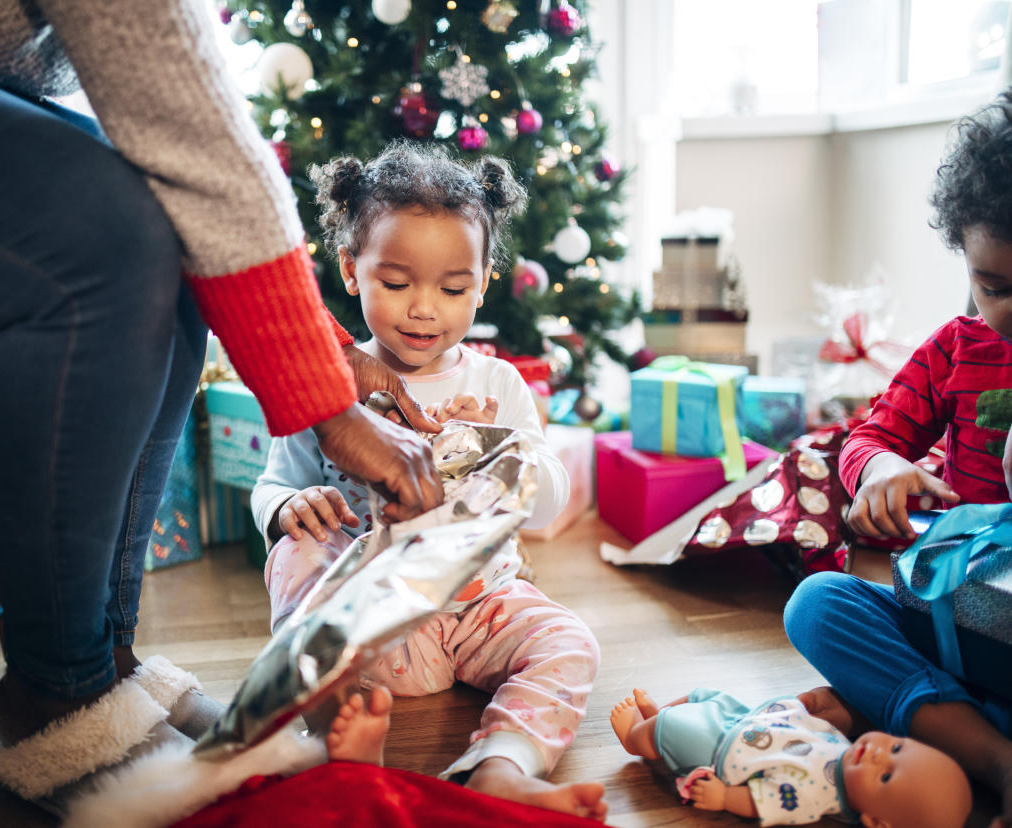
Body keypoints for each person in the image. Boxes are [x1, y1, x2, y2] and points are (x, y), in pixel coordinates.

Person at [0, 0, 445, 798]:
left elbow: (181, 136)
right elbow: (185, 115)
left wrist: (324, 353)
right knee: (101, 239)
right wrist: (330, 410)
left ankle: (106, 664)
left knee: (166, 212)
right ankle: (55, 697)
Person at [250, 142, 606, 820]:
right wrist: (290, 506)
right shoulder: (330, 378)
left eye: (451, 290)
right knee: (295, 554)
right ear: (352, 271)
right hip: (374, 629)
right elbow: (272, 486)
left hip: (482, 609)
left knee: (572, 642)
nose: (423, 310)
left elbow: (549, 495)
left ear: (481, 284)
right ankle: (339, 734)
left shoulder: (497, 382)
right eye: (396, 283)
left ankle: (502, 766)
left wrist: (494, 450)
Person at [786, 90, 1012, 828]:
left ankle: (913, 715)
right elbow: (868, 437)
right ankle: (989, 754)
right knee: (819, 604)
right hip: (948, 625)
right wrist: (881, 471)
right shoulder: (957, 349)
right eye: (994, 286)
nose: (1009, 310)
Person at [608, 686, 971, 827]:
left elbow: (764, 801)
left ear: (875, 821)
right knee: (702, 697)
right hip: (745, 720)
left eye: (886, 775)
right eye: (896, 747)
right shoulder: (849, 754)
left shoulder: (815, 795)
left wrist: (724, 797)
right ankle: (656, 719)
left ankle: (635, 736)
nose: (877, 753)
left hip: (720, 750)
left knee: (672, 731)